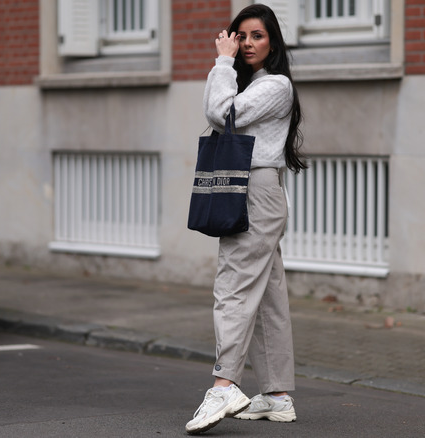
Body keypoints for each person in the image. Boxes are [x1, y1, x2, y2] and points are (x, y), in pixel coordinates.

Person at [185, 4, 307, 435]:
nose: (248, 43)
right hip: (254, 191)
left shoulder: (275, 85)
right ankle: (276, 396)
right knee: (267, 295)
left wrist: (221, 60)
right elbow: (224, 111)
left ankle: (224, 384)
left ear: (272, 41)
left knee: (233, 285)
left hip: (255, 192)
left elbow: (221, 114)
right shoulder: (251, 83)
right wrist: (227, 68)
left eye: (257, 35)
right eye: (242, 36)